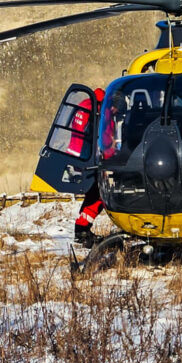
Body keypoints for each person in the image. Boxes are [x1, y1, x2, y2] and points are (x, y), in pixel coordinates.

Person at [73, 88, 106, 246]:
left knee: (94, 193)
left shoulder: (84, 105)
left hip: (78, 155)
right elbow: (99, 135)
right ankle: (82, 230)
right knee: (99, 193)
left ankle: (81, 229)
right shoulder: (95, 110)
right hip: (87, 156)